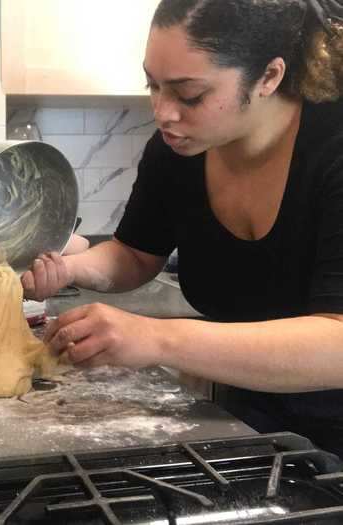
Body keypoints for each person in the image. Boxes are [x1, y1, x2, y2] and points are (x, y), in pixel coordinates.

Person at [21, 0, 343, 456]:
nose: (162, 112)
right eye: (152, 85)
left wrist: (156, 338)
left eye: (189, 95)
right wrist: (70, 268)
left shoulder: (334, 149)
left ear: (269, 77)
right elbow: (134, 254)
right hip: (249, 412)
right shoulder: (177, 150)